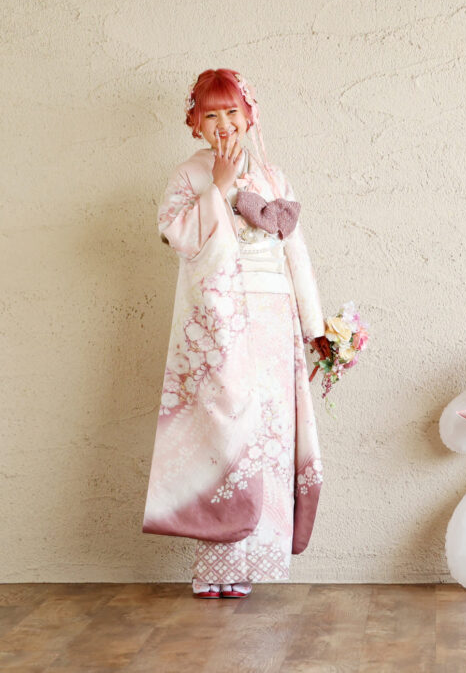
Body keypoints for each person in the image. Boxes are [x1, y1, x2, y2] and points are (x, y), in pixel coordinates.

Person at [142, 69, 330, 598]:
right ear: (195, 123)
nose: (223, 124)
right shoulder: (189, 175)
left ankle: (256, 560)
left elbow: (295, 252)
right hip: (223, 319)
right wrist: (218, 189)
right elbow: (175, 233)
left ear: (250, 117)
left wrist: (314, 326)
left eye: (232, 112)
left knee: (272, 433)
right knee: (226, 435)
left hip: (273, 318)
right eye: (211, 115)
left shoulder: (274, 178)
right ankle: (215, 565)